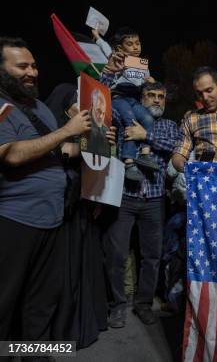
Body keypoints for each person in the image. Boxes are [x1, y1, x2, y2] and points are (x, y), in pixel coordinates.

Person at [0, 37, 94, 344]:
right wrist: (67, 130)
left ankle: (33, 354)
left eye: (35, 66)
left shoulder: (41, 108)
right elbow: (11, 154)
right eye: (22, 66)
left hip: (53, 219)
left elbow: (61, 150)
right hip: (15, 220)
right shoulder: (2, 107)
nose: (32, 72)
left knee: (41, 302)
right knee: (5, 301)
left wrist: (94, 139)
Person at [105, 81, 179, 329]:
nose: (157, 100)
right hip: (124, 196)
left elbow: (174, 147)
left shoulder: (169, 125)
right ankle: (117, 305)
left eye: (161, 96)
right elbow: (107, 108)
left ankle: (144, 304)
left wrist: (145, 135)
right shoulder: (124, 118)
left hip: (154, 200)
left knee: (152, 256)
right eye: (151, 95)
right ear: (141, 98)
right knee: (116, 254)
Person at [45, 83, 109, 348]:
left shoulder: (85, 129)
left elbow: (96, 162)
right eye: (76, 103)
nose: (81, 108)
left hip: (81, 207)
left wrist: (104, 142)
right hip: (56, 211)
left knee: (82, 266)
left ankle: (83, 324)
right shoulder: (51, 129)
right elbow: (56, 155)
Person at [100, 27, 158, 182]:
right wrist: (96, 36)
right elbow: (105, 48)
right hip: (119, 97)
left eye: (138, 43)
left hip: (134, 99)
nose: (135, 47)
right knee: (130, 119)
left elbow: (149, 81)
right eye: (130, 44)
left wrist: (152, 82)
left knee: (148, 118)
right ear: (120, 47)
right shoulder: (117, 59)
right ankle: (129, 161)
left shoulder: (141, 64)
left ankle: (145, 154)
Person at [83, 88, 111, 157]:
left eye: (103, 113)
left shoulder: (107, 130)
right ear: (92, 106)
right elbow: (82, 150)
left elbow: (113, 155)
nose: (101, 117)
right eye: (98, 111)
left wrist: (113, 146)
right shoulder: (82, 125)